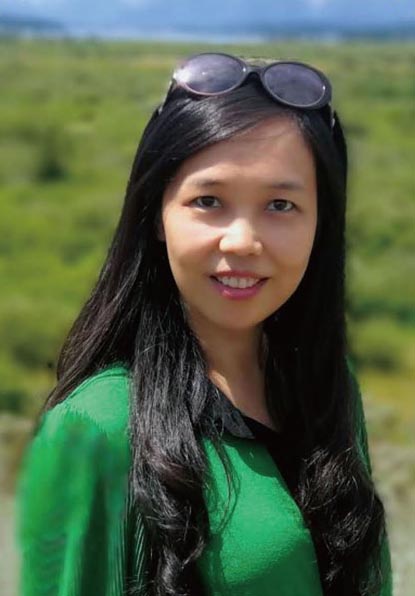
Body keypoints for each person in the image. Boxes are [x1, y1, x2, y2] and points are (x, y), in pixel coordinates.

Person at [16, 52, 393, 596]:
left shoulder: (328, 387)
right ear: (157, 215)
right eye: (208, 200)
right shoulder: (96, 427)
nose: (242, 241)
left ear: (321, 224)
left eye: (281, 205)